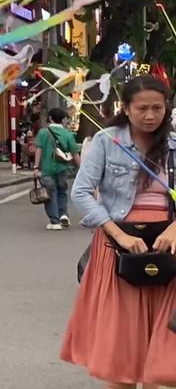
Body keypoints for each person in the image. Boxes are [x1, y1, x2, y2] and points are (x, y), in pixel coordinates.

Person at [61, 75, 176, 387]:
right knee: (121, 347)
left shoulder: (174, 143)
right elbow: (81, 192)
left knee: (162, 347)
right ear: (126, 108)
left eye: (157, 108)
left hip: (169, 248)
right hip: (119, 247)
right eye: (142, 109)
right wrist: (119, 235)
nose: (150, 115)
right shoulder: (106, 140)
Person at [33, 107, 79, 230]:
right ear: (62, 120)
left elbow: (38, 150)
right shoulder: (68, 134)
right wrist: (82, 168)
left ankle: (55, 221)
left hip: (47, 170)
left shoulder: (43, 132)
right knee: (62, 192)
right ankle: (63, 214)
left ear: (50, 118)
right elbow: (75, 153)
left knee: (50, 194)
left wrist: (36, 167)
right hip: (63, 169)